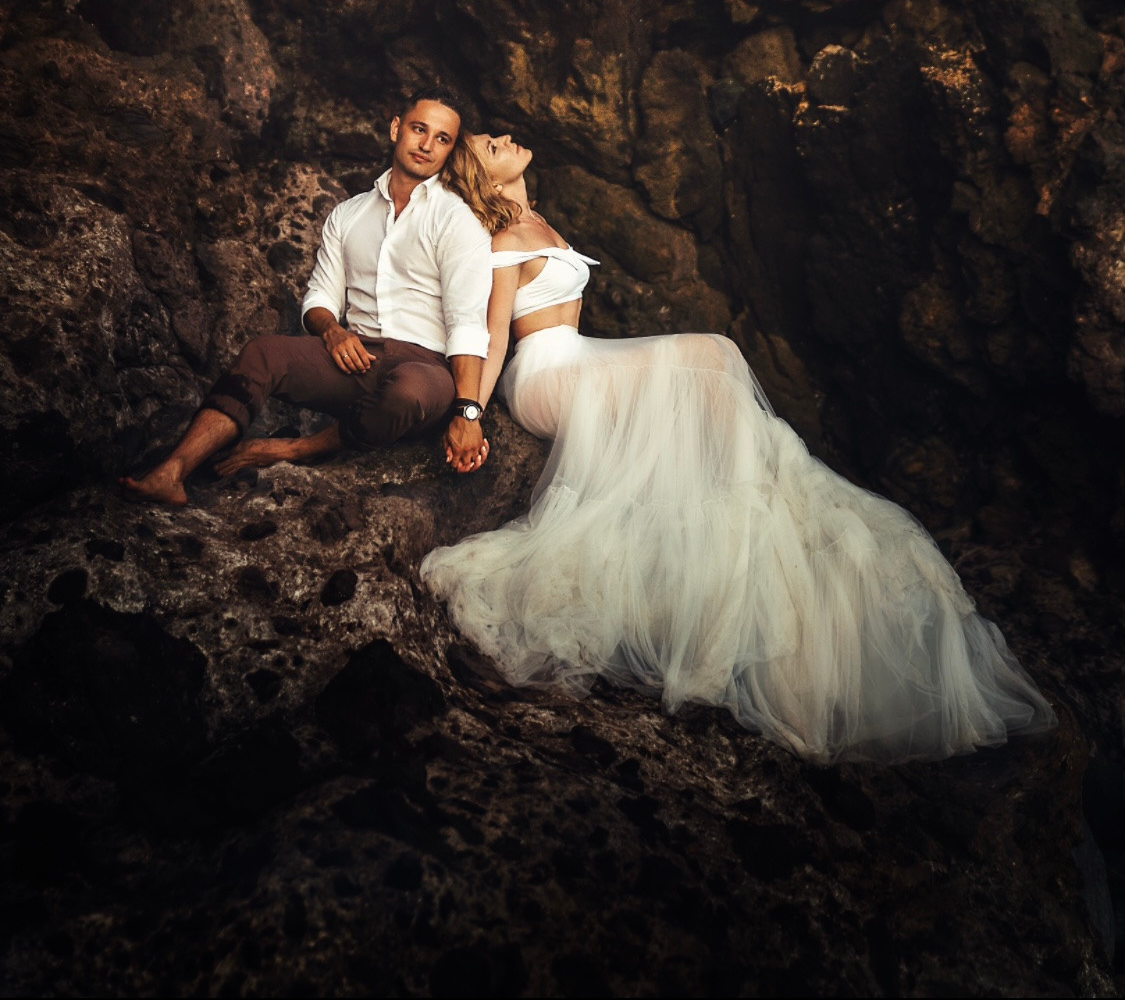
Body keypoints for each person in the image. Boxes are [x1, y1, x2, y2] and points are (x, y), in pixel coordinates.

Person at [421, 133, 1058, 765]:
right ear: (483, 172)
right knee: (712, 354)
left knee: (712, 360)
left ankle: (742, 499)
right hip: (543, 374)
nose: (504, 136)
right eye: (489, 143)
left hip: (578, 359)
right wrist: (470, 409)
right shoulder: (503, 241)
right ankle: (742, 500)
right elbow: (492, 334)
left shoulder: (533, 217)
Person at [120, 89, 498, 506]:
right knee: (263, 352)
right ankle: (172, 472)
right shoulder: (349, 213)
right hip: (358, 360)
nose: (426, 145)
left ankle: (296, 449)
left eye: (442, 139)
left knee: (406, 391)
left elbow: (466, 322)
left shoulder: (457, 219)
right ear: (396, 128)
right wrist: (332, 331)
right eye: (419, 129)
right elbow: (320, 295)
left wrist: (467, 414)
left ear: (449, 150)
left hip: (425, 372)